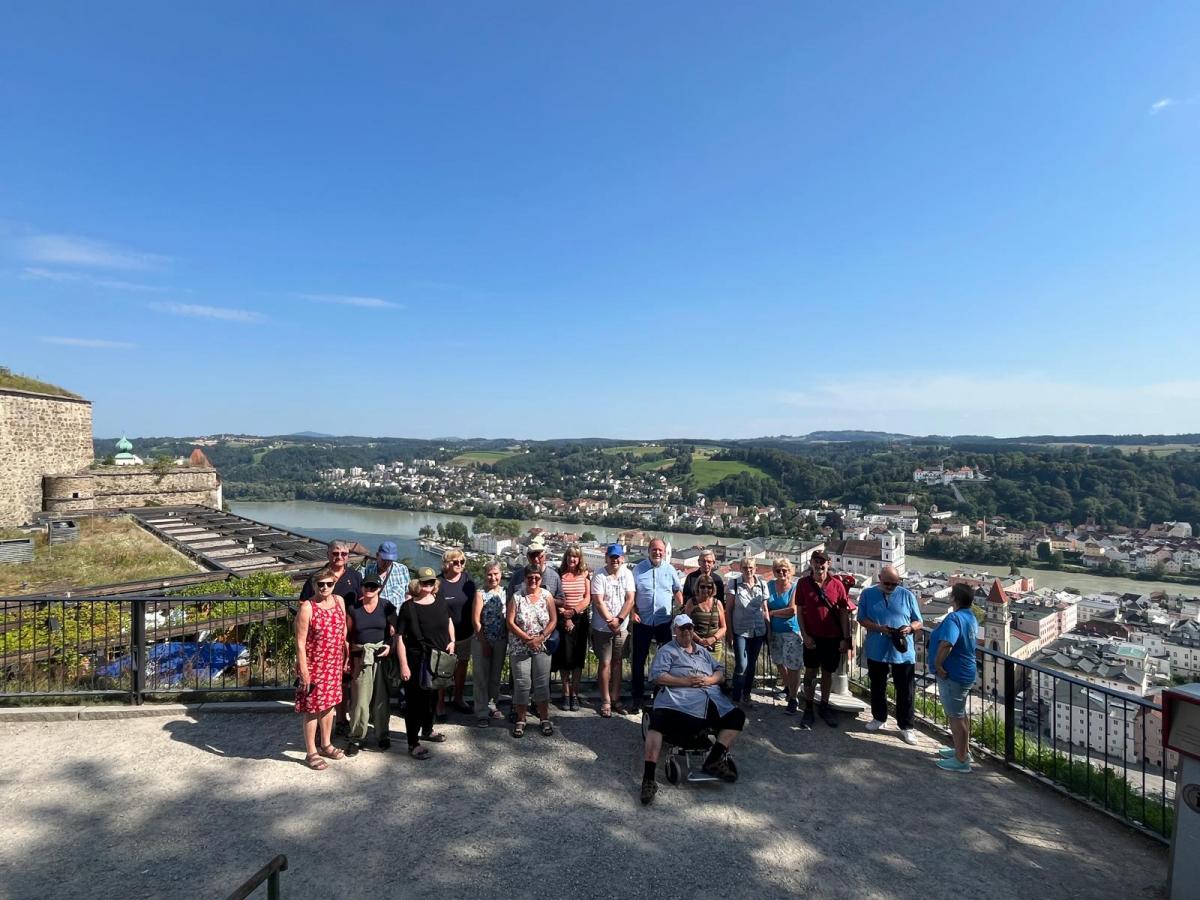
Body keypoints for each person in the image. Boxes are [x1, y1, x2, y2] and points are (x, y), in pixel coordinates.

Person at [640, 614, 746, 806]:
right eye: (683, 628)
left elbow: (720, 670)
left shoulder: (703, 652)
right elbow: (657, 676)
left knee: (737, 717)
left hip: (709, 698)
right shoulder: (667, 651)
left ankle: (713, 760)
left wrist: (712, 679)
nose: (687, 632)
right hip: (679, 701)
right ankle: (648, 779)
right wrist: (685, 681)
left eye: (690, 628)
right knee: (657, 722)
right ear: (676, 631)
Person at [300, 540, 363, 734]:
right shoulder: (317, 577)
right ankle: (319, 728)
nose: (340, 557)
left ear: (348, 556)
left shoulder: (355, 576)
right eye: (336, 553)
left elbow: (362, 604)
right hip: (319, 644)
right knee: (319, 687)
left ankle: (342, 720)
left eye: (344, 554)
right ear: (328, 554)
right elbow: (303, 605)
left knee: (342, 682)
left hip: (346, 639)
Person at [857, 565, 923, 745]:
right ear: (879, 578)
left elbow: (919, 621)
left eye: (895, 584)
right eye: (887, 583)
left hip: (902, 651)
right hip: (877, 648)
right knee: (878, 686)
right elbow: (861, 618)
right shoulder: (867, 594)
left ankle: (907, 727)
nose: (891, 587)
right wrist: (879, 628)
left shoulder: (907, 595)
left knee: (906, 691)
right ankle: (879, 718)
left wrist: (909, 628)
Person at [395, 567, 454, 759]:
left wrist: (452, 640)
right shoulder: (408, 607)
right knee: (414, 702)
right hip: (416, 660)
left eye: (431, 582)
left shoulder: (441, 603)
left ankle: (427, 730)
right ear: (417, 584)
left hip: (438, 660)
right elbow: (400, 638)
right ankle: (413, 743)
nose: (428, 585)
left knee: (432, 697)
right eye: (424, 582)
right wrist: (403, 664)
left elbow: (449, 621)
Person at [294, 566, 348, 770]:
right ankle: (311, 752)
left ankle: (326, 744)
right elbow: (299, 642)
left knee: (329, 705)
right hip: (314, 665)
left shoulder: (339, 601)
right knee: (312, 709)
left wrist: (345, 655)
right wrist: (304, 670)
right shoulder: (307, 607)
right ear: (314, 585)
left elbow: (342, 630)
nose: (325, 587)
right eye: (321, 584)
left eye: (329, 584)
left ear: (334, 584)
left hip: (333, 663)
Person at [794, 550, 852, 729]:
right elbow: (800, 611)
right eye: (816, 562)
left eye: (822, 562)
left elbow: (843, 613)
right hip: (812, 637)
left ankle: (824, 705)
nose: (819, 566)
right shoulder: (803, 584)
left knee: (828, 672)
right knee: (810, 673)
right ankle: (809, 708)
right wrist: (804, 634)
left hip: (832, 638)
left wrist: (845, 638)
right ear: (811, 563)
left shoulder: (837, 585)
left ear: (828, 563)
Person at [630, 538, 684, 711]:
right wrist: (632, 612)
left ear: (664, 552)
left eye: (660, 550)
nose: (657, 553)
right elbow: (630, 594)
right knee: (638, 661)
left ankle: (659, 695)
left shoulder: (670, 570)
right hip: (643, 622)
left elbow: (677, 590)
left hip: (663, 622)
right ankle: (637, 697)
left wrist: (681, 611)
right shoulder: (638, 569)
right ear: (648, 550)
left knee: (664, 661)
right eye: (654, 549)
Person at [344, 574, 396, 755]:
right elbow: (347, 636)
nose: (369, 590)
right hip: (361, 658)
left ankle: (382, 734)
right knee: (359, 701)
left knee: (381, 700)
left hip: (381, 657)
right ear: (362, 587)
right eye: (367, 586)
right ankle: (356, 737)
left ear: (379, 589)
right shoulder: (353, 608)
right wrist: (350, 658)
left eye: (373, 587)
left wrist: (390, 646)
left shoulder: (386, 606)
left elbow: (395, 631)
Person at [930, 583, 979, 772]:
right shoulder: (971, 617)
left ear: (953, 599)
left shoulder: (954, 618)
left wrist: (938, 664)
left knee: (955, 717)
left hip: (953, 673)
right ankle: (963, 750)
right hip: (966, 671)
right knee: (961, 714)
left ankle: (961, 760)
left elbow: (947, 644)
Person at [507, 568, 558, 738]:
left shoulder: (547, 596)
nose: (533, 581)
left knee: (542, 683)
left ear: (541, 579)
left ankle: (544, 718)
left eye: (536, 578)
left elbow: (553, 620)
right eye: (530, 577)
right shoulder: (517, 597)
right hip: (520, 647)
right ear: (524, 578)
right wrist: (527, 638)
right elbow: (510, 621)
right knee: (522, 684)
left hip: (541, 646)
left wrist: (541, 637)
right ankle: (521, 719)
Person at [590, 543, 635, 717]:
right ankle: (606, 700)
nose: (615, 560)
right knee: (605, 663)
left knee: (618, 662)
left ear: (622, 559)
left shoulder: (628, 574)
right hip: (602, 627)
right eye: (612, 557)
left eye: (618, 557)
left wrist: (620, 619)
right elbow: (598, 601)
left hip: (621, 626)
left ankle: (616, 697)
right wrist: (611, 620)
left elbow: (630, 599)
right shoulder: (599, 575)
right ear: (606, 558)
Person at [435, 549, 476, 720]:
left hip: (465, 633)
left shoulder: (467, 580)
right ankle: (440, 703)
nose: (460, 565)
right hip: (444, 636)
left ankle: (459, 699)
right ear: (447, 564)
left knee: (462, 667)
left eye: (462, 562)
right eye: (456, 562)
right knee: (443, 670)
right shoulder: (439, 582)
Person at [725, 556, 769, 707]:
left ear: (755, 568)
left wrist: (768, 631)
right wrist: (729, 633)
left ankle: (747, 694)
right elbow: (728, 610)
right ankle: (736, 696)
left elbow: (765, 609)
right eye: (745, 567)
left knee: (751, 664)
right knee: (742, 664)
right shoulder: (734, 583)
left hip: (758, 630)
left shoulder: (762, 584)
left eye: (751, 567)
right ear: (740, 569)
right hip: (740, 630)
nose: (748, 570)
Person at [551, 544, 591, 710]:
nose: (572, 559)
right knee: (565, 659)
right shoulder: (559, 575)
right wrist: (566, 616)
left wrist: (574, 612)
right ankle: (565, 693)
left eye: (575, 556)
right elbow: (555, 597)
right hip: (563, 620)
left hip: (580, 621)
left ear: (579, 558)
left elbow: (587, 598)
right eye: (569, 556)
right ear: (565, 558)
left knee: (577, 660)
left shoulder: (584, 575)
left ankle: (575, 693)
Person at [471, 561, 508, 727]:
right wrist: (484, 642)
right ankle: (481, 711)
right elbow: (476, 620)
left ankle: (492, 704)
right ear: (485, 575)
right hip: (482, 640)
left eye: (496, 574)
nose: (493, 577)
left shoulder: (505, 592)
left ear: (501, 574)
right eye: (489, 574)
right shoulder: (480, 593)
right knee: (481, 676)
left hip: (500, 640)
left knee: (495, 675)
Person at [767, 558, 803, 714]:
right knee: (779, 661)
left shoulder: (795, 587)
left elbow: (792, 610)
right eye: (778, 570)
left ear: (790, 571)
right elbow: (763, 606)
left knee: (793, 665)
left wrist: (772, 613)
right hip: (774, 632)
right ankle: (789, 687)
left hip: (791, 632)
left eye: (785, 570)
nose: (781, 573)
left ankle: (794, 698)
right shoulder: (769, 586)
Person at [684, 574, 727, 660]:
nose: (706, 590)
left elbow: (723, 627)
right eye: (703, 587)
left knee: (712, 671)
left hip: (714, 646)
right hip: (695, 645)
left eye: (709, 587)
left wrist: (713, 639)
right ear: (698, 587)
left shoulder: (717, 603)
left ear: (713, 588)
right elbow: (686, 626)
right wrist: (699, 640)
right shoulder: (691, 603)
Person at [361, 541, 409, 611]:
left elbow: (408, 593)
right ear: (377, 555)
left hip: (397, 617)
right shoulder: (368, 570)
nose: (387, 563)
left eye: (390, 560)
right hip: (378, 617)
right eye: (384, 560)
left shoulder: (402, 569)